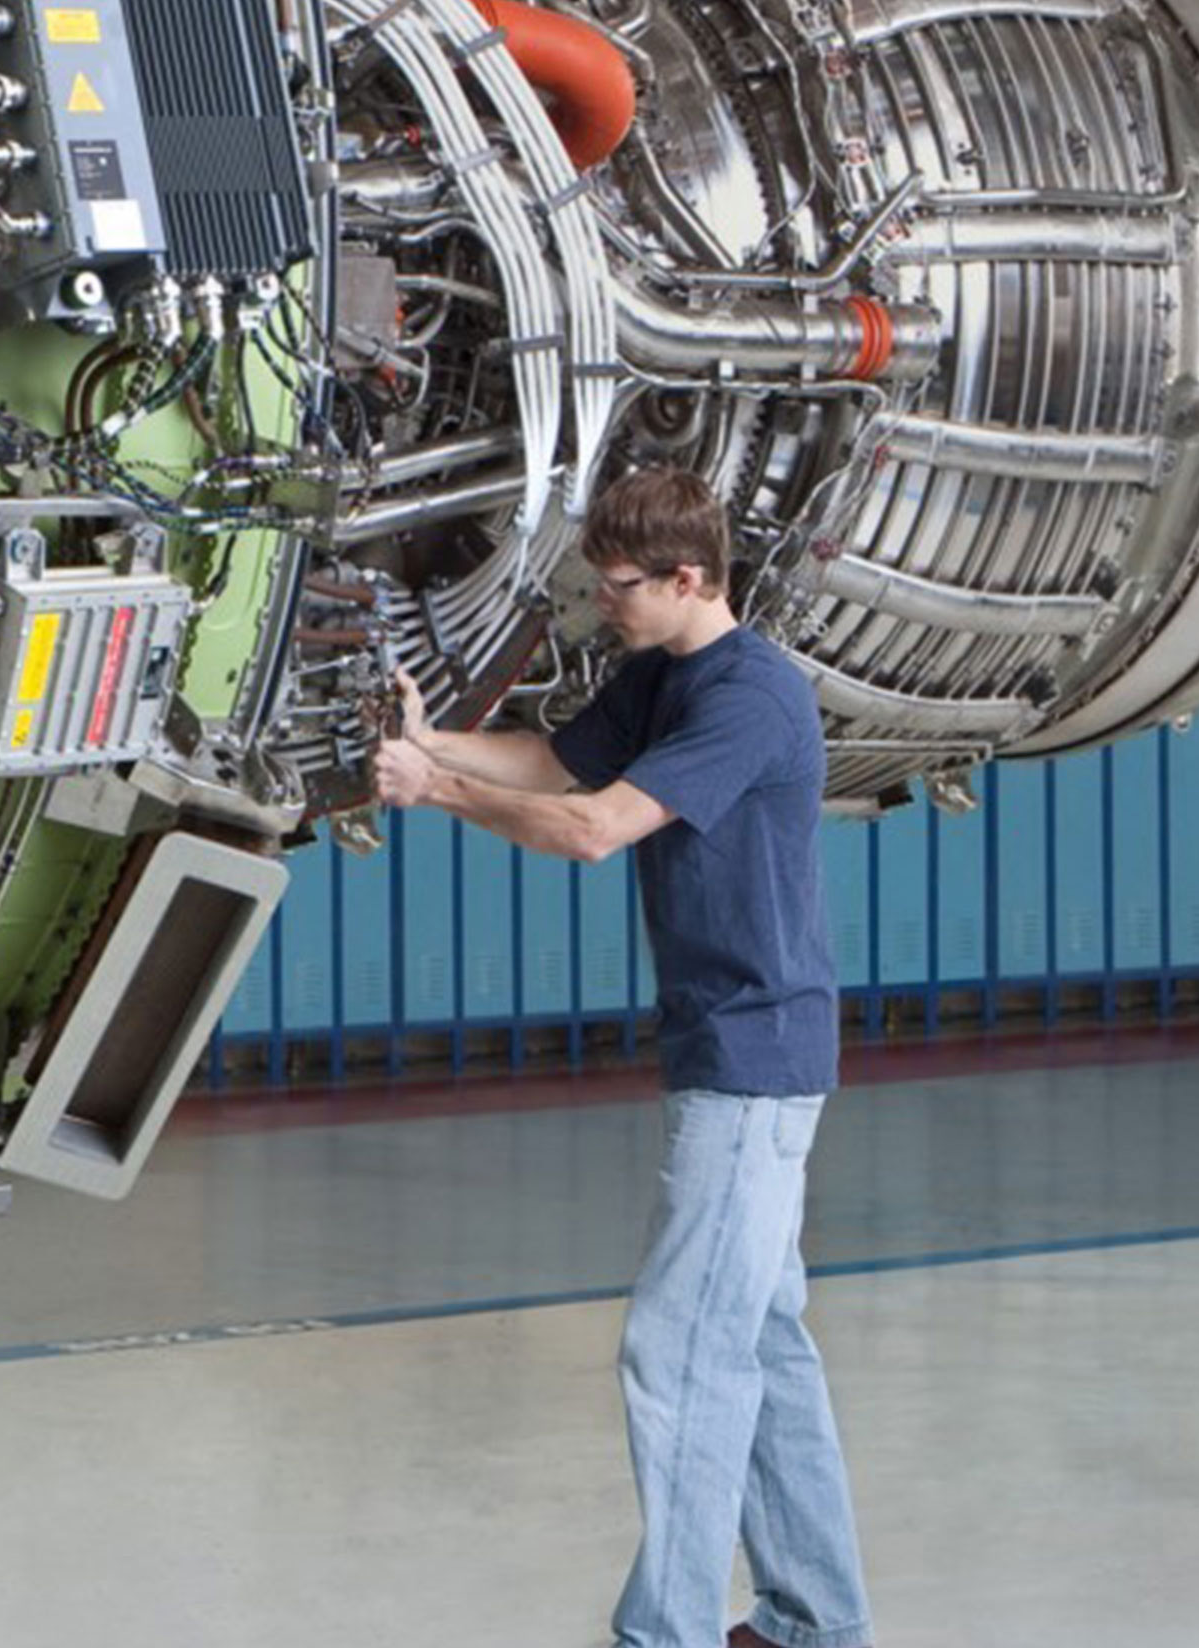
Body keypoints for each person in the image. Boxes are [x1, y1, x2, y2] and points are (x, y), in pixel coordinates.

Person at [373, 463, 874, 1648]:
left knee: (679, 1352)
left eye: (620, 589)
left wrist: (434, 788)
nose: (605, 607)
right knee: (759, 1340)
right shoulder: (659, 676)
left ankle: (667, 1633)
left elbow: (594, 829)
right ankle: (816, 1619)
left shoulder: (750, 696)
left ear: (690, 577)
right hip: (731, 1044)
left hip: (753, 1059)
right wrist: (425, 736)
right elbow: (558, 764)